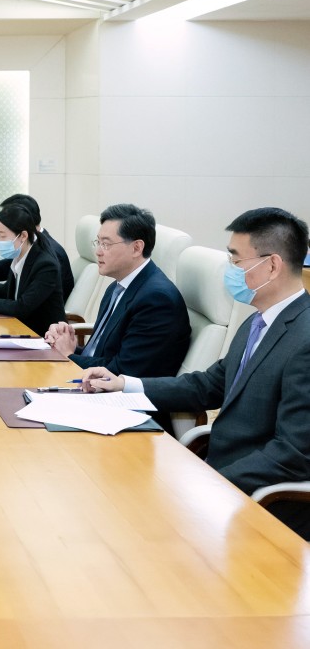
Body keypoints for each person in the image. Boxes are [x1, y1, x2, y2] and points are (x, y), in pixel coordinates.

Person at [82, 207, 310, 537]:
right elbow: (207, 385)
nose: (229, 271)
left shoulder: (303, 339)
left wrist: (209, 484)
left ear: (272, 265)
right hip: (216, 477)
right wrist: (124, 384)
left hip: (259, 500)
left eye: (236, 260)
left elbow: (292, 454)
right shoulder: (257, 322)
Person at [44, 204, 190, 379]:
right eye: (98, 242)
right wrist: (67, 345)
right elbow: (101, 355)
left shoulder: (157, 300)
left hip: (119, 398)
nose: (98, 252)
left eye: (106, 244)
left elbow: (122, 371)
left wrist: (68, 356)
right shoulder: (116, 287)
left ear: (136, 248)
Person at [0, 204, 66, 335]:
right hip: (18, 329)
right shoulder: (21, 256)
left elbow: (22, 307)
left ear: (23, 236)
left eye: (2, 236)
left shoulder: (46, 265)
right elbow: (6, 291)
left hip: (42, 337)